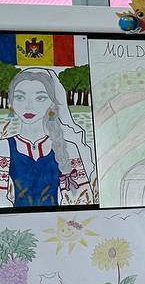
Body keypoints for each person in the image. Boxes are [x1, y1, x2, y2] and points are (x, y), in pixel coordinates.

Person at [0, 67, 94, 207]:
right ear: (11, 102)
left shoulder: (68, 148)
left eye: (40, 98)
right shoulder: (4, 147)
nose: (29, 106)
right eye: (20, 97)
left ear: (51, 103)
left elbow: (81, 200)